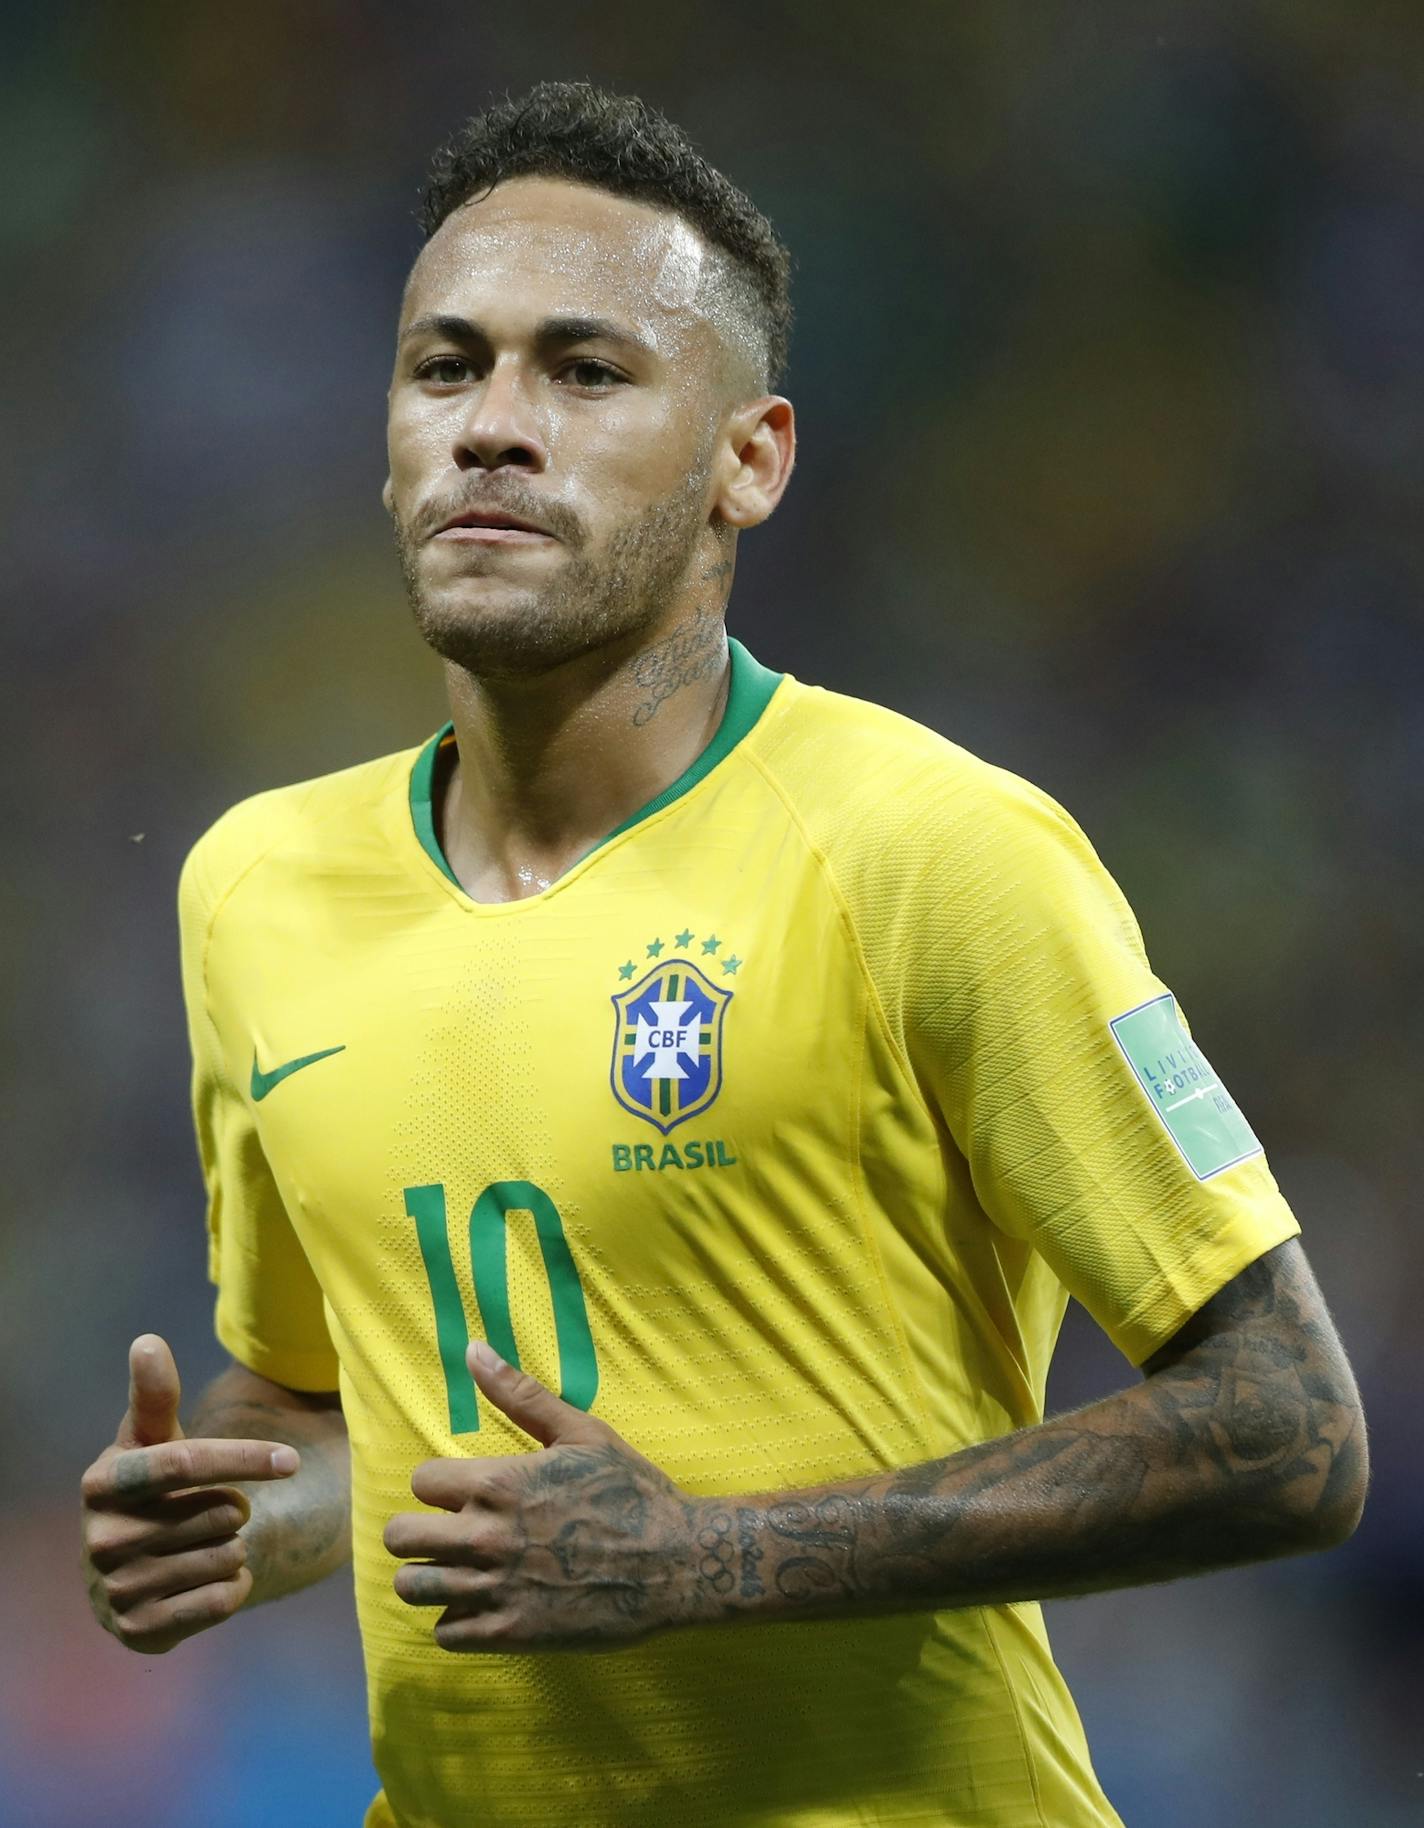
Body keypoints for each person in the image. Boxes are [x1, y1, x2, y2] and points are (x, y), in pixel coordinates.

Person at [79, 81, 1367, 1828]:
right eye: (445, 367)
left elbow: (1290, 1432)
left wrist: (710, 1562)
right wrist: (249, 1510)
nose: (493, 427)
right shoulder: (256, 885)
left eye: (586, 372)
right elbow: (325, 1401)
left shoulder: (932, 849)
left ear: (748, 459)